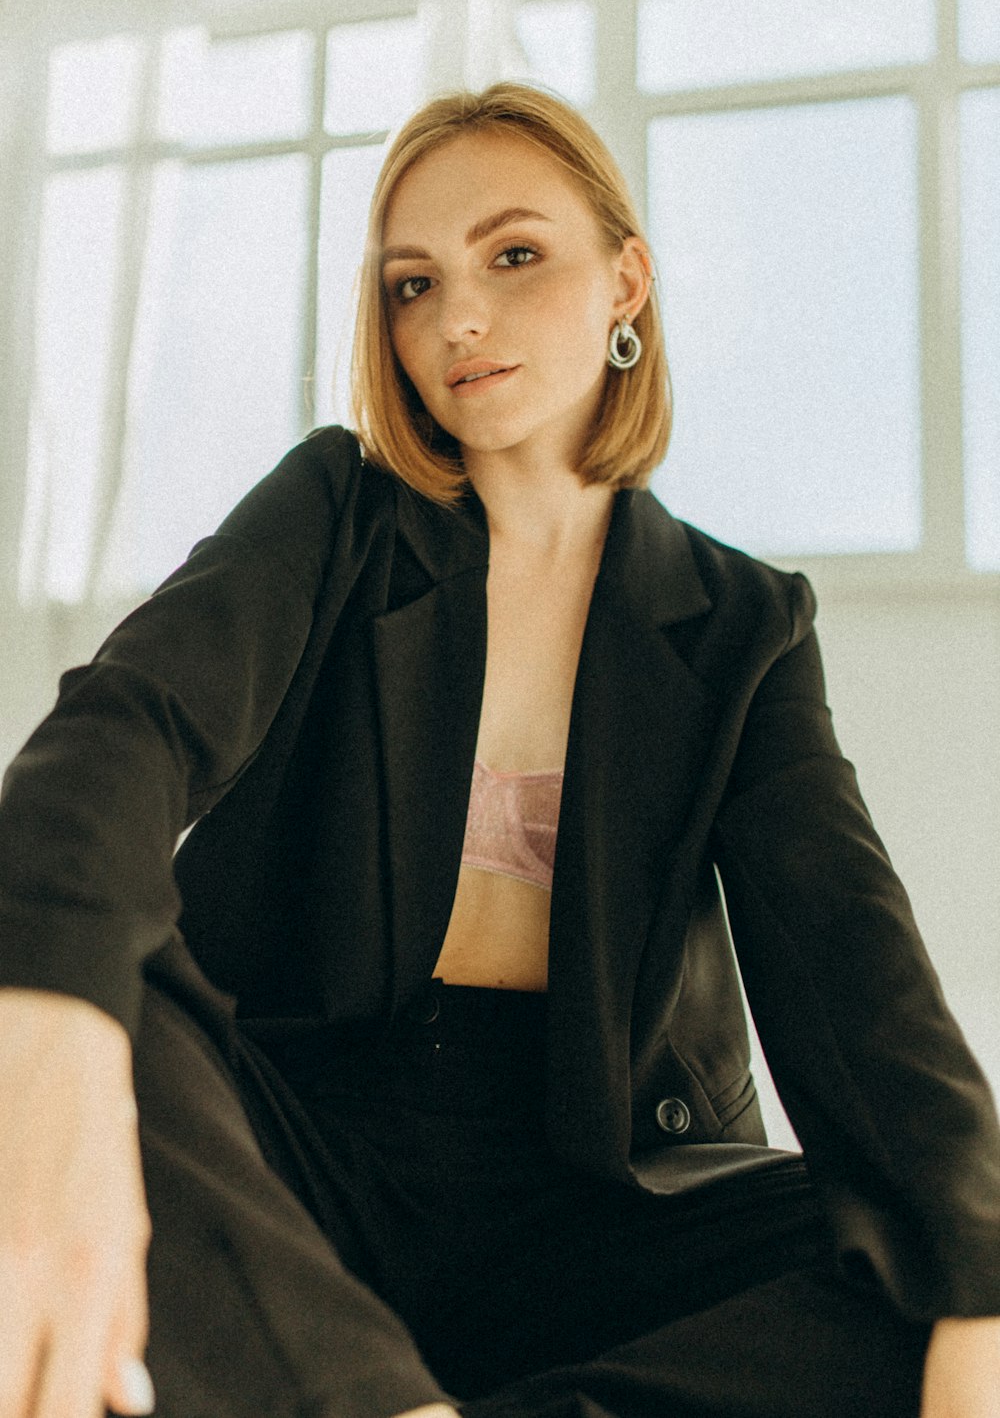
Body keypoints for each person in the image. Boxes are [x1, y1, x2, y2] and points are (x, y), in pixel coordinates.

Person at [0, 81, 998, 1418]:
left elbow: (856, 970)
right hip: (290, 1158)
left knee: (934, 1252)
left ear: (626, 281)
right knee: (70, 943)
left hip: (589, 1199)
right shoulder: (335, 513)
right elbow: (130, 727)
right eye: (413, 285)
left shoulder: (743, 625)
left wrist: (980, 1284)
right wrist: (49, 1020)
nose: (457, 316)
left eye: (513, 255)